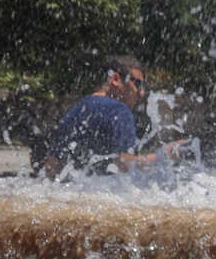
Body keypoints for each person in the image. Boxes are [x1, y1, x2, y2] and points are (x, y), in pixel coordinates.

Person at [37, 56, 168, 178]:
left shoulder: (78, 108)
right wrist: (164, 156)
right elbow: (126, 165)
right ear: (115, 79)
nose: (142, 93)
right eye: (138, 84)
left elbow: (51, 167)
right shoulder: (120, 111)